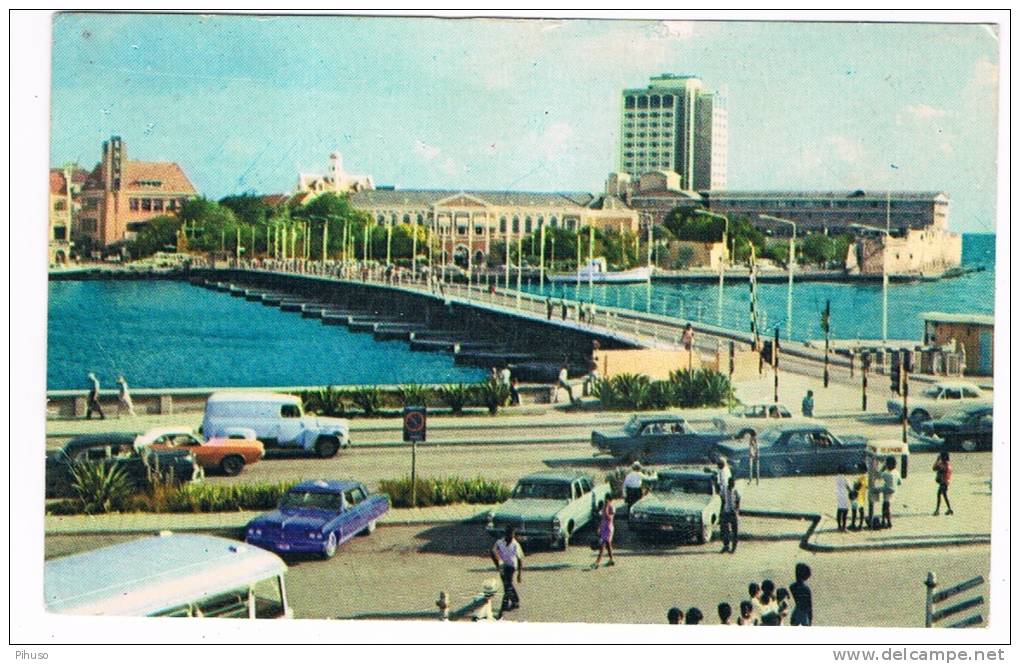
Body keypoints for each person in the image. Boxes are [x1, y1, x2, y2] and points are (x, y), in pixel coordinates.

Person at [490, 527, 523, 615]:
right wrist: (497, 564)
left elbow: (520, 559)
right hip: (503, 566)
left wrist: (519, 574)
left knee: (508, 584)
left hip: (512, 566)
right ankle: (515, 601)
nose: (512, 537)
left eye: (513, 535)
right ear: (506, 534)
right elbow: (492, 551)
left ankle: (505, 604)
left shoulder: (516, 544)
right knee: (507, 585)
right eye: (510, 534)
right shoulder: (499, 542)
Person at [591, 499, 616, 568]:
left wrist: (606, 510)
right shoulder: (603, 508)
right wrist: (599, 528)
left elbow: (610, 518)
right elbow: (602, 519)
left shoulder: (611, 507)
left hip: (608, 529)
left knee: (602, 545)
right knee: (608, 545)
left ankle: (597, 562)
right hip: (603, 528)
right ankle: (611, 559)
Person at [720, 476, 741, 553]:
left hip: (733, 513)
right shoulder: (724, 489)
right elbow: (722, 500)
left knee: (734, 531)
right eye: (732, 483)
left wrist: (736, 510)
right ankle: (726, 546)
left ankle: (734, 547)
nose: (733, 485)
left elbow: (738, 500)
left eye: (734, 483)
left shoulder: (736, 491)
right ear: (729, 483)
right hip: (726, 512)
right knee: (725, 530)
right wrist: (722, 511)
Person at [880, 457, 900, 529]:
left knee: (885, 507)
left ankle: (887, 522)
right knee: (887, 506)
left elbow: (879, 476)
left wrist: (882, 468)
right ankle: (886, 521)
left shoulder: (886, 473)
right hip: (894, 491)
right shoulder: (896, 472)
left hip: (887, 491)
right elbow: (899, 482)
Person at [933, 451, 954, 516]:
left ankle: (937, 510)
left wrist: (937, 460)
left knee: (940, 495)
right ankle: (949, 509)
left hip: (943, 483)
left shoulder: (943, 466)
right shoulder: (948, 465)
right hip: (946, 482)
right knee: (944, 496)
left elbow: (934, 468)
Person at [850, 463, 868, 530]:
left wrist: (855, 486)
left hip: (858, 496)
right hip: (861, 496)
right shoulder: (864, 477)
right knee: (860, 510)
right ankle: (859, 524)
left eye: (858, 468)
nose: (857, 470)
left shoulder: (863, 477)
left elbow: (859, 486)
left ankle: (856, 524)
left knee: (855, 510)